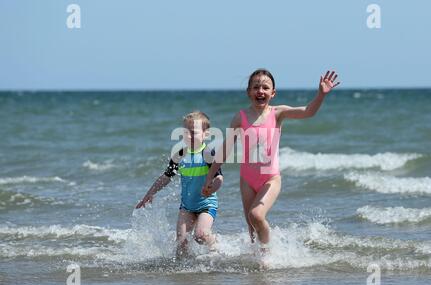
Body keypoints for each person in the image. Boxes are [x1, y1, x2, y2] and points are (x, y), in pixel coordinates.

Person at [202, 69, 340, 252]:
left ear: (273, 93)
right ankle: (257, 267)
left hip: (271, 179)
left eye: (265, 87)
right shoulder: (240, 118)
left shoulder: (278, 113)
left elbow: (308, 112)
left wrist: (321, 95)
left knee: (256, 215)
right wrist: (209, 177)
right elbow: (225, 151)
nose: (260, 91)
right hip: (247, 180)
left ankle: (269, 255)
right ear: (248, 92)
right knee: (252, 229)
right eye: (256, 87)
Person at [136, 111, 224, 258]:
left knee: (200, 235)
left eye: (193, 132)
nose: (188, 136)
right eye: (185, 132)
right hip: (187, 206)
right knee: (181, 244)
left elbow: (219, 178)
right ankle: (184, 275)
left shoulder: (208, 154)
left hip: (207, 204)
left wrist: (212, 188)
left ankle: (215, 244)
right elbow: (166, 177)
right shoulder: (179, 155)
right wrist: (149, 194)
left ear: (205, 135)